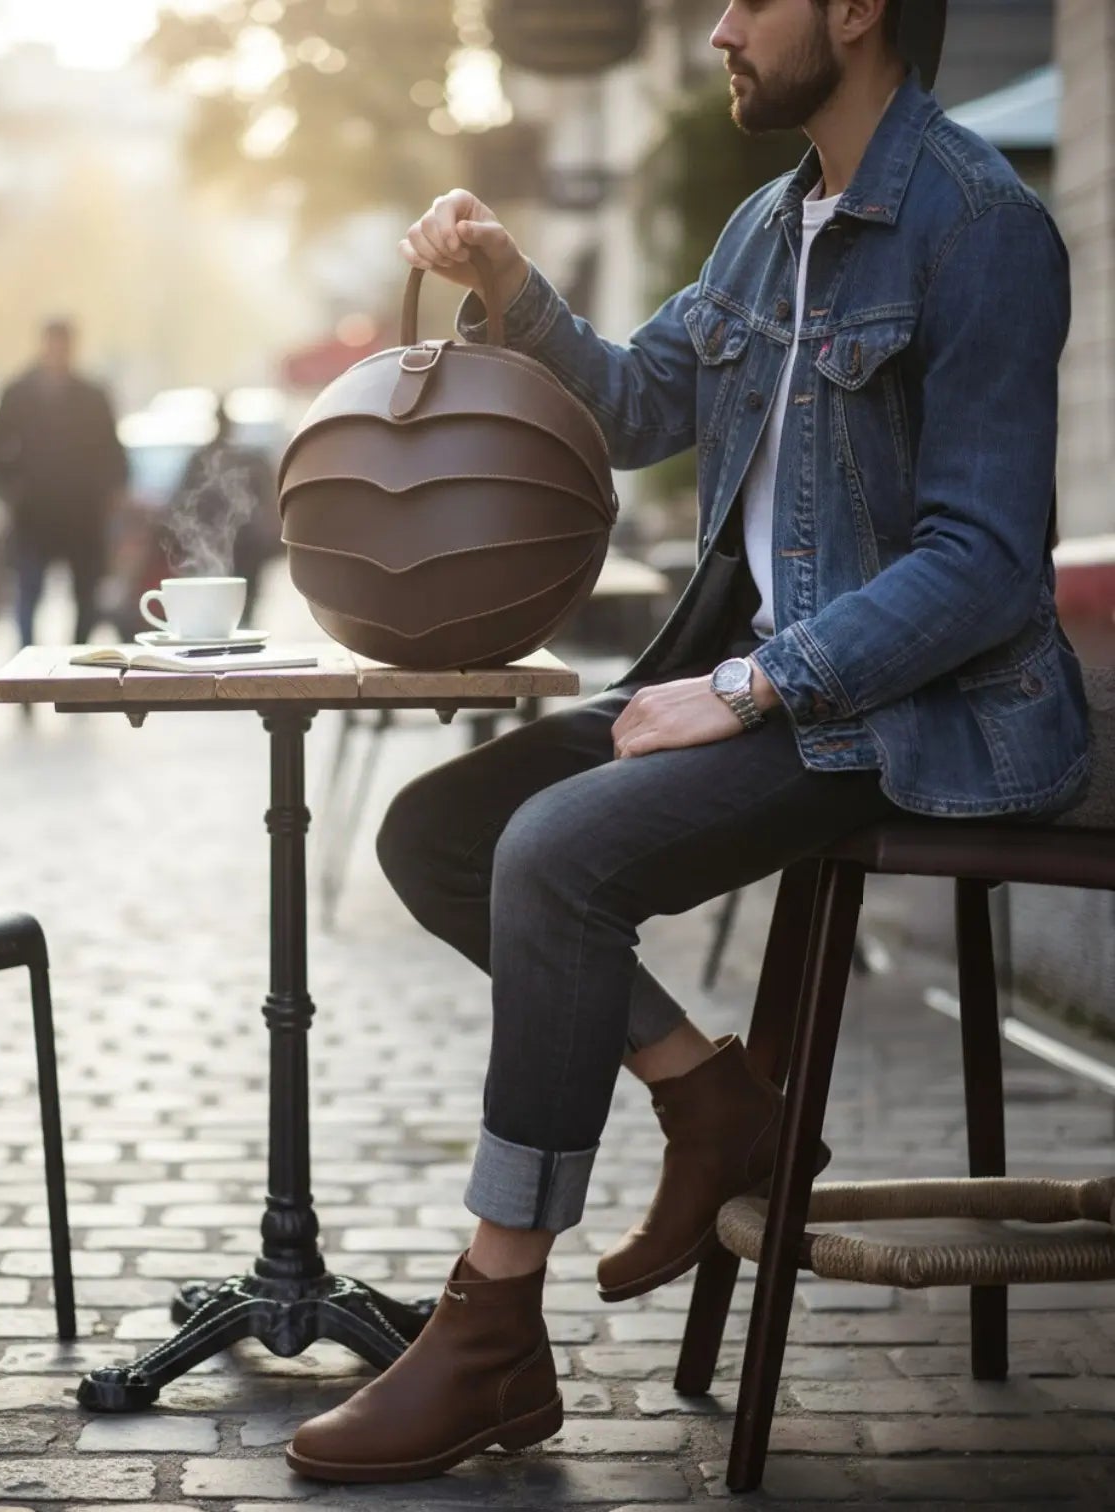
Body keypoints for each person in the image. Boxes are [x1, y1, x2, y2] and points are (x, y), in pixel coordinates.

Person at [285, 0, 1090, 1484]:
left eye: (749, 0)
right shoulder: (763, 227)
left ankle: (493, 1325)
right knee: (436, 832)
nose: (718, 27)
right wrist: (509, 279)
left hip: (904, 712)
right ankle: (706, 1098)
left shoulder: (982, 227)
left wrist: (750, 688)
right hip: (759, 688)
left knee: (554, 856)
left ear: (854, 12)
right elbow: (643, 401)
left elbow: (984, 565)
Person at [0, 318, 128, 646]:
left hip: (82, 515)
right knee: (27, 594)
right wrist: (10, 487)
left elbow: (112, 451)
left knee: (86, 597)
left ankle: (75, 663)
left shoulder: (92, 396)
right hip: (34, 514)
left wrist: (111, 494)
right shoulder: (19, 393)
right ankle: (26, 670)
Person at [163, 398, 280, 625]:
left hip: (241, 544)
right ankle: (231, 628)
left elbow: (178, 501)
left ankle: (228, 628)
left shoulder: (204, 459)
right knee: (238, 597)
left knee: (230, 595)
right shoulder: (248, 459)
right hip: (231, 544)